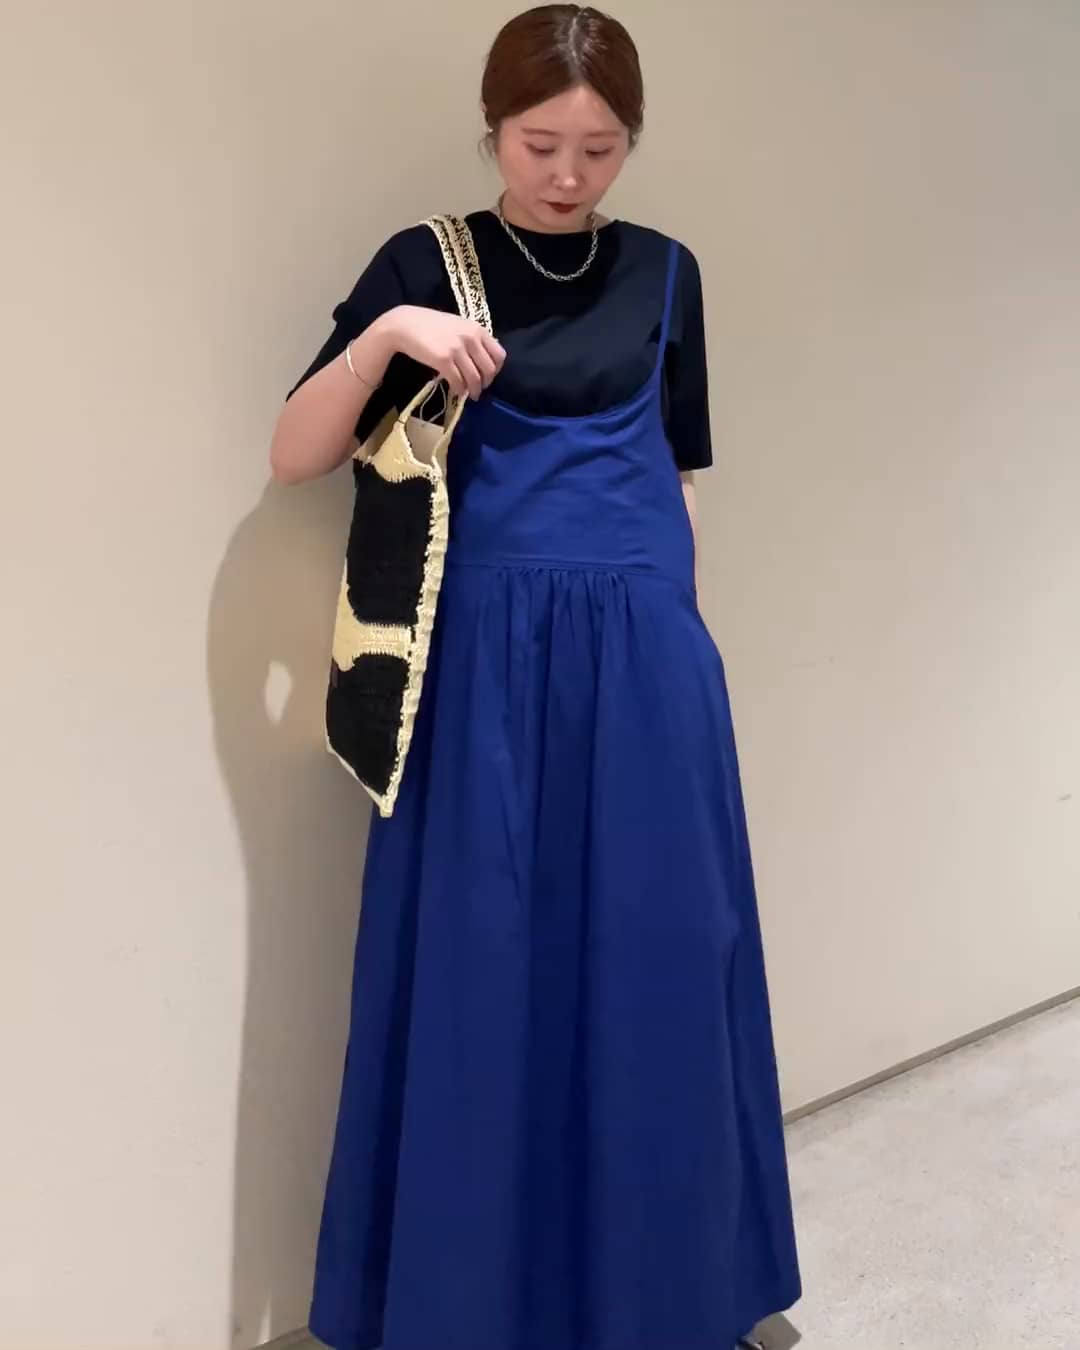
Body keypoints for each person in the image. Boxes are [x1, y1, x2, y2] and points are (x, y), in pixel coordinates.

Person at [270, 7, 801, 1349]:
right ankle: (474, 1303)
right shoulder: (427, 263)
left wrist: (685, 647)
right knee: (483, 967)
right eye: (538, 143)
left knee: (662, 956)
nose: (567, 175)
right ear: (494, 128)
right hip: (479, 673)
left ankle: (666, 1292)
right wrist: (391, 332)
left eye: (599, 148)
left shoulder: (666, 273)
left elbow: (676, 476)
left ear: (631, 141)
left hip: (645, 664)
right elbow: (297, 452)